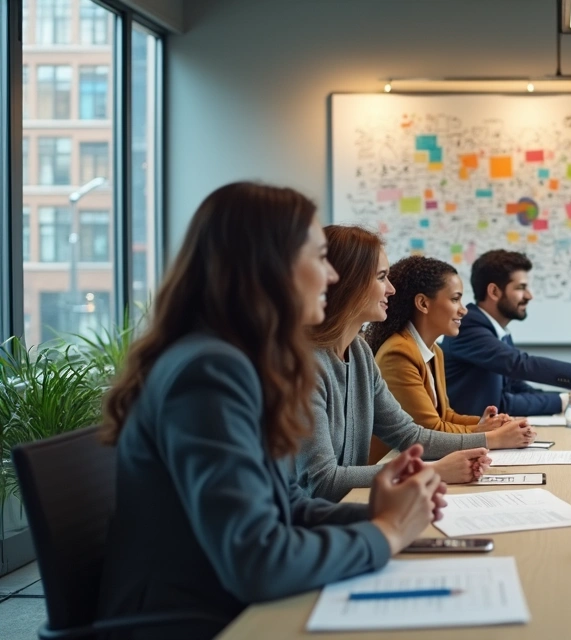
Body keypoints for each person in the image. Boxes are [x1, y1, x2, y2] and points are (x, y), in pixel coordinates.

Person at [96, 183, 446, 639]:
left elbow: (286, 503)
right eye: (320, 258)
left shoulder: (243, 361)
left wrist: (381, 515)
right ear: (270, 266)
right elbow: (258, 561)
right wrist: (386, 535)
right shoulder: (210, 372)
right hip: (195, 619)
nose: (333, 277)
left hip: (224, 601)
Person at [297, 226, 534, 502]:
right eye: (382, 277)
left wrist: (486, 439)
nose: (391, 289)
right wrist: (430, 470)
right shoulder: (305, 364)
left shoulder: (359, 352)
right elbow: (322, 481)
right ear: (347, 281)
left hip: (351, 508)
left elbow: (408, 434)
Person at [443, 249, 571, 415]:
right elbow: (518, 368)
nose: (529, 296)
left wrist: (569, 398)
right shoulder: (467, 327)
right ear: (494, 291)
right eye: (520, 288)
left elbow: (515, 386)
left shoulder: (499, 332)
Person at [366, 255, 522, 434]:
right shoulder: (398, 353)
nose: (463, 310)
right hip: (394, 459)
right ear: (423, 303)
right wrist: (489, 434)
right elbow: (431, 430)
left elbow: (445, 415)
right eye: (455, 299)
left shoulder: (435, 351)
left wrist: (491, 423)